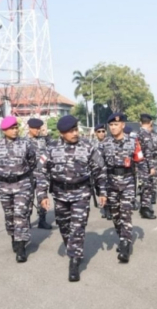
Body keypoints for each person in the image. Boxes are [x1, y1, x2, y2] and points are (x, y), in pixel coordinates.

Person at [36, 115, 106, 281]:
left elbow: (100, 170)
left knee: (78, 227)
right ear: (61, 133)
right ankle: (73, 247)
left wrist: (102, 192)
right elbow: (41, 171)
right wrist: (42, 195)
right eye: (70, 131)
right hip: (60, 194)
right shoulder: (51, 149)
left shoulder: (88, 147)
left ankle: (74, 261)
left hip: (81, 193)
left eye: (76, 129)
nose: (75, 133)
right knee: (64, 227)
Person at [97, 112, 147, 263]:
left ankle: (125, 244)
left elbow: (141, 162)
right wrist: (102, 190)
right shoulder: (104, 144)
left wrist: (143, 182)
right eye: (111, 125)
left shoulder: (133, 142)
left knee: (125, 213)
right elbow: (100, 168)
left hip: (128, 182)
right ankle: (122, 236)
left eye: (116, 125)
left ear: (123, 125)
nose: (113, 127)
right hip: (111, 184)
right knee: (116, 216)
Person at [0, 116, 38, 263]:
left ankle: (21, 247)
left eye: (16, 128)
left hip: (22, 184)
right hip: (4, 186)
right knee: (9, 215)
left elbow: (32, 162)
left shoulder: (26, 144)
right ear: (4, 130)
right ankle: (13, 237)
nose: (15, 131)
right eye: (12, 128)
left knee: (21, 214)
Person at [26, 118, 52, 230]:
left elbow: (52, 148)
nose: (37, 130)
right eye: (35, 128)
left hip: (42, 174)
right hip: (29, 174)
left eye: (39, 128)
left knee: (43, 197)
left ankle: (42, 220)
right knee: (28, 198)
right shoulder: (23, 141)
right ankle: (26, 221)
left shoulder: (44, 140)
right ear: (29, 128)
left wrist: (47, 135)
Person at [136, 114, 157, 219]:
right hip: (145, 165)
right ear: (150, 123)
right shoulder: (146, 135)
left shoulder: (138, 133)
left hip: (138, 164)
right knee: (147, 187)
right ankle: (145, 210)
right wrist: (152, 167)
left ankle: (143, 208)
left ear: (140, 123)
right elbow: (148, 152)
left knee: (143, 186)